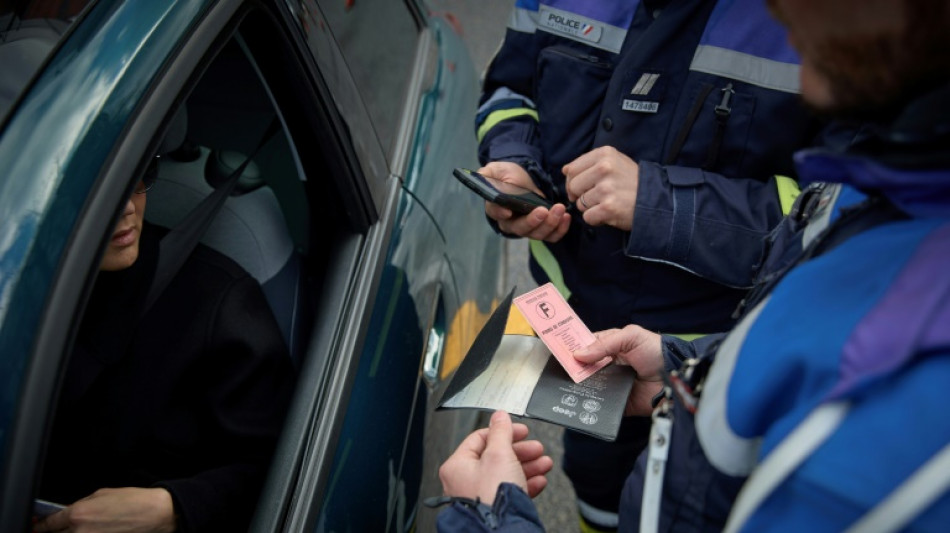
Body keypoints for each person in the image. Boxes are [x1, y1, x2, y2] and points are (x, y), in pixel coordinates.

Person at [438, 0, 950, 530]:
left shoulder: (863, 97)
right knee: (600, 497)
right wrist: (516, 162)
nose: (782, 11)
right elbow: (511, 86)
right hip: (612, 350)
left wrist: (488, 519)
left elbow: (819, 213)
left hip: (704, 329)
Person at [34, 160, 296, 532]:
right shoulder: (16, 285)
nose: (127, 205)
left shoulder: (219, 305)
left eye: (137, 173)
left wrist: (172, 508)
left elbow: (282, 471)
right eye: (93, 185)